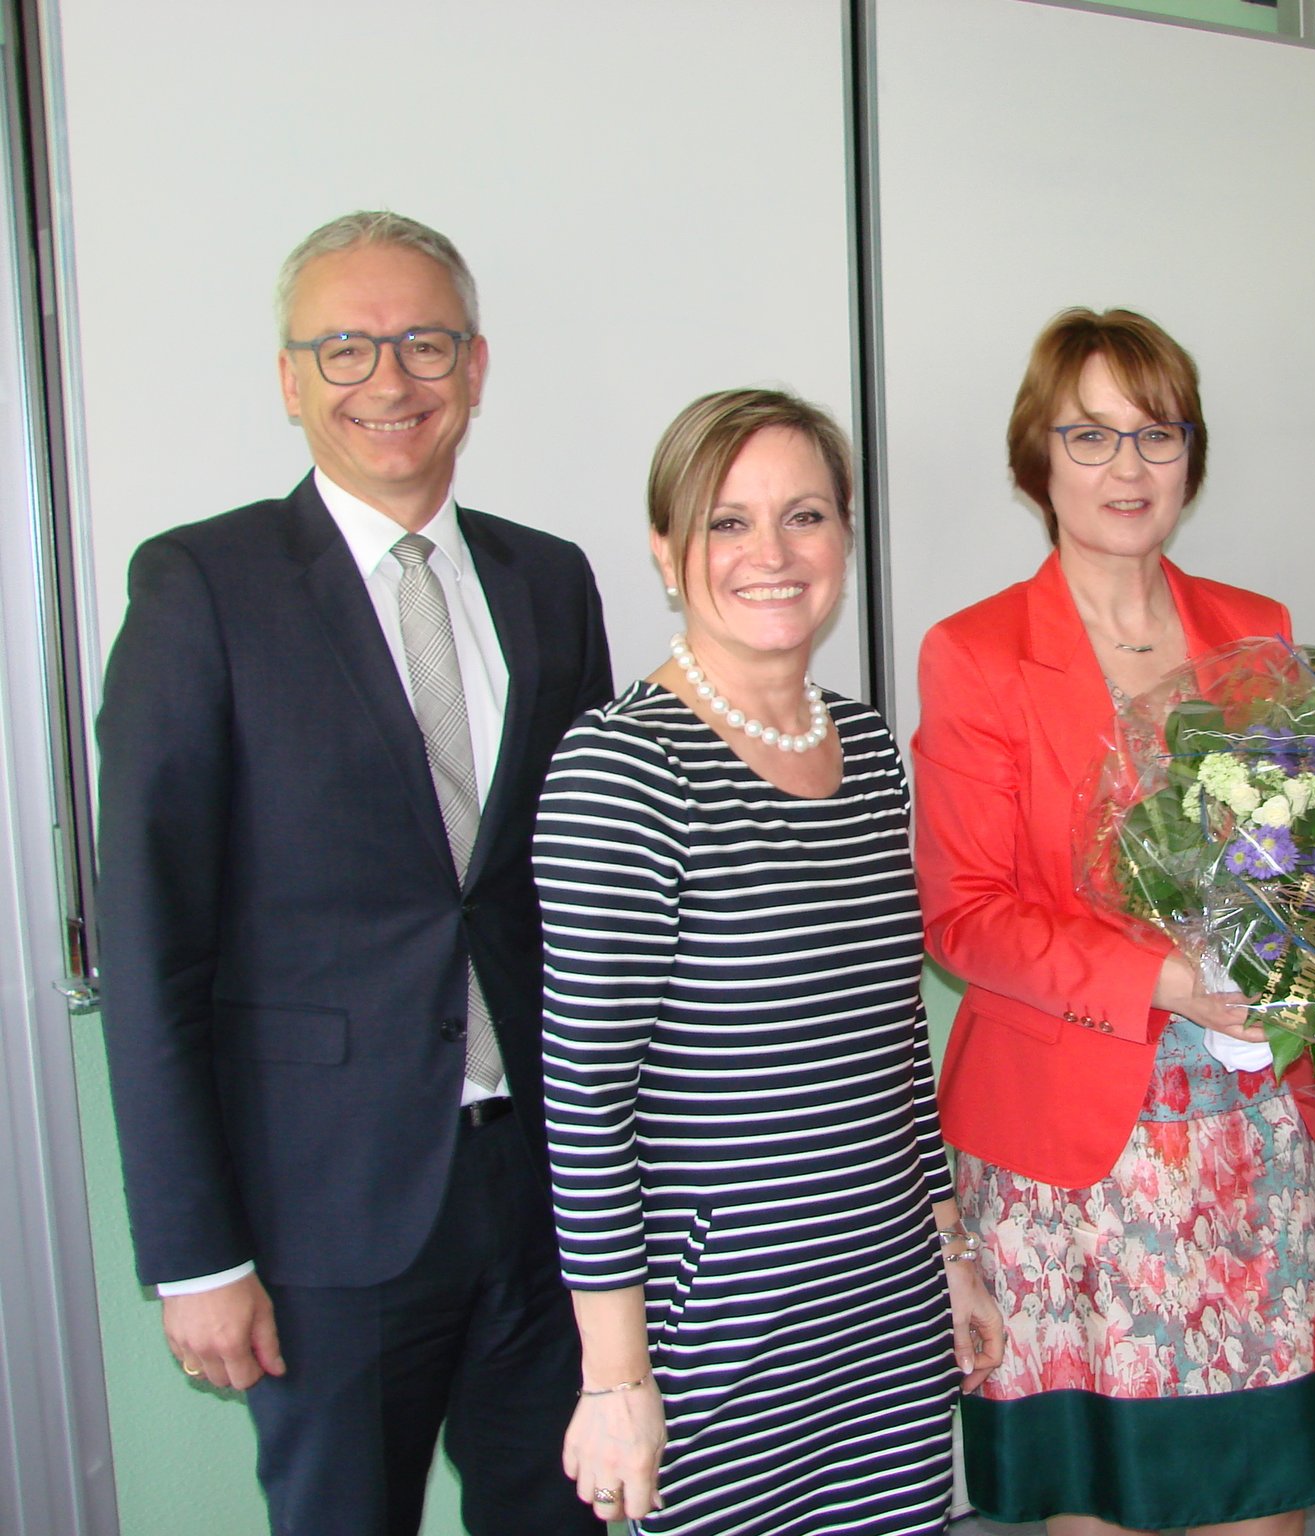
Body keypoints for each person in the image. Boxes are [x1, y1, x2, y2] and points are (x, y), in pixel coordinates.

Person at [94, 211, 613, 1533]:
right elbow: (154, 942)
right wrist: (195, 1256)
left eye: (425, 342)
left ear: (478, 367)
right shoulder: (200, 588)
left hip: (548, 1199)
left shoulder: (551, 584)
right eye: (345, 348)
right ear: (289, 380)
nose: (391, 380)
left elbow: (582, 898)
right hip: (325, 1217)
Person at [914, 308, 1315, 1536]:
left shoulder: (1253, 627)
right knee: (1100, 1500)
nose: (1125, 469)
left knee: (1260, 1488)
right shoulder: (977, 653)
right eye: (1089, 435)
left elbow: (1310, 852)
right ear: (1036, 458)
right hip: (1070, 1149)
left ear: (1190, 457)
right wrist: (1161, 978)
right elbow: (963, 917)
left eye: (1154, 435)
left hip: (1247, 1130)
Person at [535, 388, 1004, 1532]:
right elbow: (586, 1098)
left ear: (845, 534)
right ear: (665, 549)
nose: (771, 554)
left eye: (804, 515)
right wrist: (614, 1377)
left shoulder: (872, 758)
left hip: (879, 1299)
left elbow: (893, 1037)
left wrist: (945, 1250)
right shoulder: (621, 773)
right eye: (725, 522)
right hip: (713, 1334)